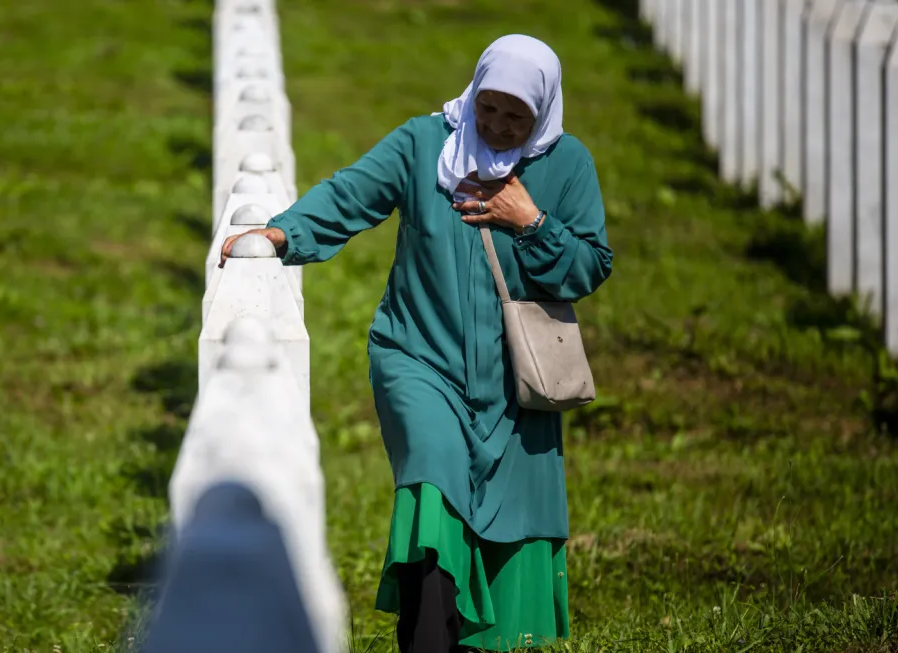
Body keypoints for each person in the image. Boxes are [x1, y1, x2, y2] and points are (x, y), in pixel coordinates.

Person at [220, 34, 613, 653]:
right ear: (474, 90)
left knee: (509, 527)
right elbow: (352, 194)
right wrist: (279, 234)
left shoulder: (568, 166)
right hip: (417, 357)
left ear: (544, 112)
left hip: (517, 381)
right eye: (489, 107)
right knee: (431, 484)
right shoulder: (425, 143)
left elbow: (588, 267)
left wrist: (529, 223)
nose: (499, 125)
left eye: (518, 116)